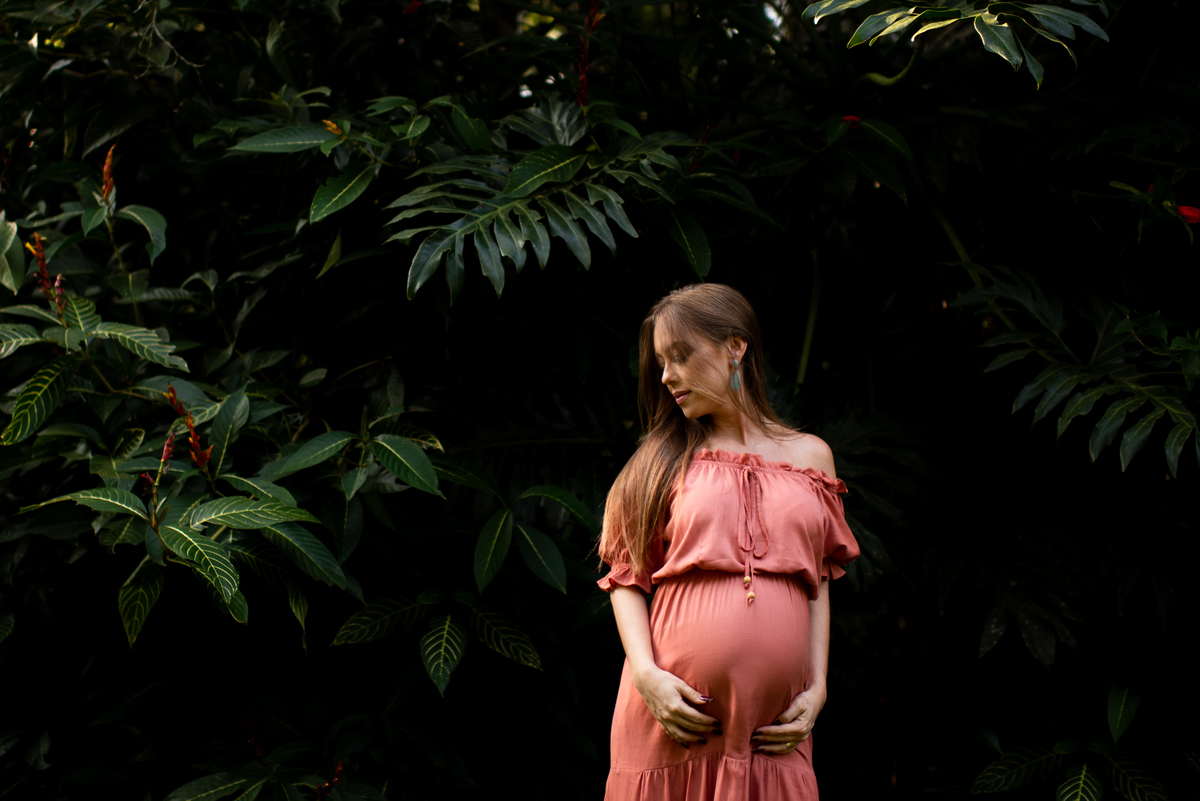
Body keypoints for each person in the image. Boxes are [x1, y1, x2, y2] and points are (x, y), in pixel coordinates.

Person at [597, 283, 860, 800]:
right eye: (660, 362)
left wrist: (819, 687)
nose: (668, 375)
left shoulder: (812, 457)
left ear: (735, 347)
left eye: (680, 356)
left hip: (774, 737)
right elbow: (624, 577)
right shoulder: (660, 459)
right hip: (673, 721)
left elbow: (818, 580)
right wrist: (647, 676)